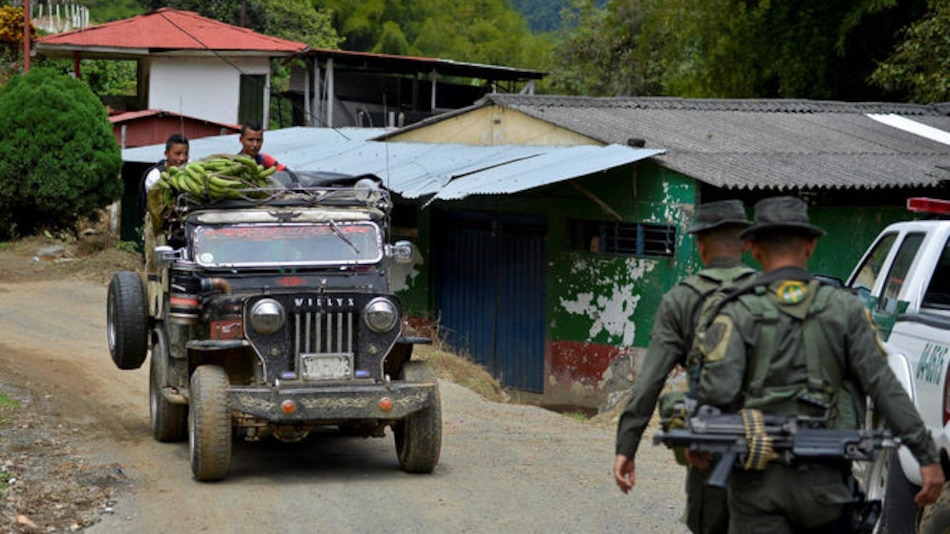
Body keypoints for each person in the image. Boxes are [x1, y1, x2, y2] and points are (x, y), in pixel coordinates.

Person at [696, 196, 944, 533]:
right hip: (826, 486)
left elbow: (712, 394)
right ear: (811, 246)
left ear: (752, 249)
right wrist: (926, 455)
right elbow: (885, 386)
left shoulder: (731, 311)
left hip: (756, 489)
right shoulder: (846, 311)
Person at [614, 199, 756, 534]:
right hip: (773, 451)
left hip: (711, 449)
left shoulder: (682, 299)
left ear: (700, 245)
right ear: (746, 245)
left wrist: (626, 448)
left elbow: (649, 383)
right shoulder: (775, 295)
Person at [139, 134, 189, 221]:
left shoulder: (189, 172)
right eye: (177, 154)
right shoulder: (156, 175)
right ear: (166, 154)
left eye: (186, 154)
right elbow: (155, 206)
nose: (182, 158)